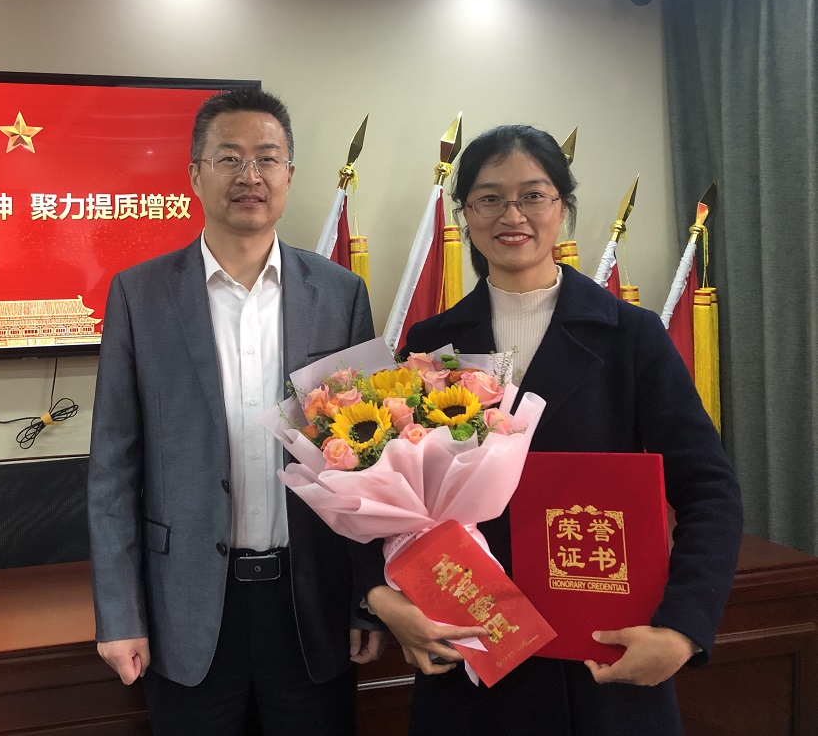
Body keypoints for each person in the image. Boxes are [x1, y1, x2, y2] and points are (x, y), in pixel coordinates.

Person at [365, 124, 743, 736]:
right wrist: (382, 597)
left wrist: (682, 627)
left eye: (533, 195)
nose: (512, 215)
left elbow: (709, 489)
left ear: (562, 207)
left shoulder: (631, 336)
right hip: (472, 651)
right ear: (465, 214)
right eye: (489, 198)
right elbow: (386, 496)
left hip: (599, 655)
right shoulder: (431, 344)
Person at [87, 88, 387, 736]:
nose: (250, 175)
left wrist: (368, 599)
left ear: (289, 175)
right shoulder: (140, 295)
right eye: (229, 158)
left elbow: (370, 468)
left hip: (310, 604)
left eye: (267, 158)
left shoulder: (340, 294)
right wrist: (119, 614)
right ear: (196, 175)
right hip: (187, 605)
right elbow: (113, 469)